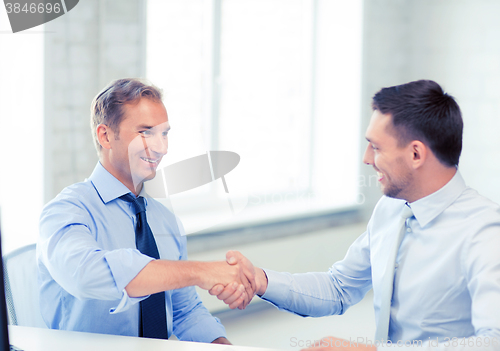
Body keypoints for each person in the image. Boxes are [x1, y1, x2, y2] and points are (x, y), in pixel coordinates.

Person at [211, 80, 500, 350]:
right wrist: (260, 280)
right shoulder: (392, 209)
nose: (366, 158)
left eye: (375, 147)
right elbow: (338, 288)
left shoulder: (485, 231)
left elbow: (493, 342)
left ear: (416, 155)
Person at [37, 78, 252, 344]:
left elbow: (184, 312)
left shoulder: (166, 221)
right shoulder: (67, 211)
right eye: (145, 132)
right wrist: (201, 271)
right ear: (105, 135)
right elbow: (85, 274)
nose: (162, 148)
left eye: (164, 133)